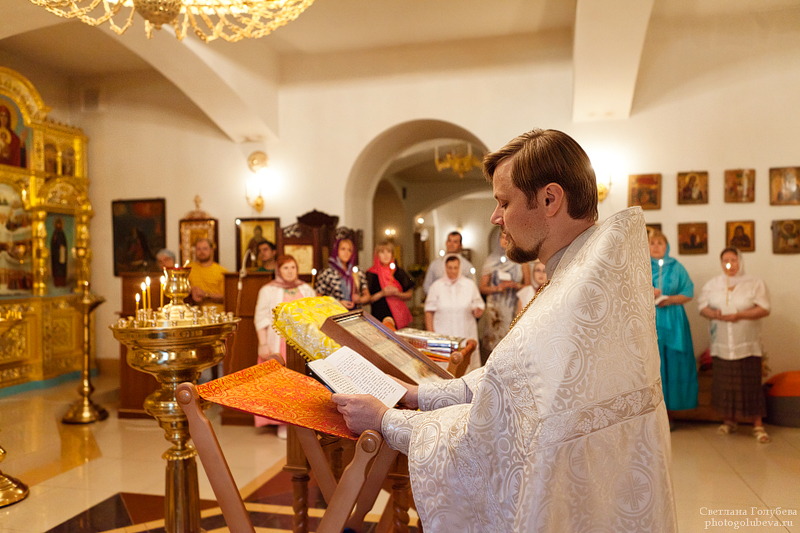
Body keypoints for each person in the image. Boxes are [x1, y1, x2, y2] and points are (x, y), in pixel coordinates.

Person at [332, 128, 676, 532]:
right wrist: (418, 394)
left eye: (504, 202)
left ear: (549, 199)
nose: (496, 217)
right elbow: (509, 385)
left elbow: (486, 438)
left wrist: (386, 420)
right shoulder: (585, 280)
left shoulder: (573, 301)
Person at [698, 247, 771, 443]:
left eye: (734, 259)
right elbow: (702, 307)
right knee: (725, 385)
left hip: (746, 345)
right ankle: (729, 421)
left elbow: (764, 308)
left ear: (740, 261)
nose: (730, 264)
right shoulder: (713, 284)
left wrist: (739, 315)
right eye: (725, 260)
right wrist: (714, 314)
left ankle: (758, 425)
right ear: (721, 263)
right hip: (722, 344)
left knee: (750, 385)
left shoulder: (754, 283)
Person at [253, 255, 316, 437]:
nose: (289, 271)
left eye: (293, 267)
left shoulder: (306, 288)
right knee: (281, 385)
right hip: (278, 342)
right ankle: (283, 423)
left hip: (302, 343)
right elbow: (261, 318)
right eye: (285, 268)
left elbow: (314, 314)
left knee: (301, 384)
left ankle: (302, 421)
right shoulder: (268, 290)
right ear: (279, 270)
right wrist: (263, 343)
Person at [649, 230, 698, 423]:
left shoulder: (677, 267)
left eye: (660, 243)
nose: (656, 246)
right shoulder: (641, 265)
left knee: (673, 364)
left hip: (674, 320)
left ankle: (670, 413)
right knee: (653, 365)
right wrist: (649, 292)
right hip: (650, 321)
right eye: (652, 243)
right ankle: (653, 416)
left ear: (667, 246)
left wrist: (668, 299)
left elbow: (688, 292)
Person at [425, 254, 485, 371]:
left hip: (465, 332)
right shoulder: (436, 286)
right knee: (444, 369)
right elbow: (429, 311)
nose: (453, 271)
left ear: (460, 268)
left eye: (455, 268)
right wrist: (431, 335)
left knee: (466, 368)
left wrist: (478, 311)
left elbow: (478, 305)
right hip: (443, 334)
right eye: (450, 268)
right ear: (444, 268)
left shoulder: (469, 285)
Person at [478, 230, 529, 365]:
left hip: (514, 306)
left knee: (513, 341)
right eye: (502, 237)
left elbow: (528, 286)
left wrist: (515, 285)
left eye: (508, 237)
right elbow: (482, 287)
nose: (505, 240)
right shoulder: (490, 260)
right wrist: (497, 288)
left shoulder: (521, 260)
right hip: (496, 309)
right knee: (495, 343)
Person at [366, 241, 414, 329]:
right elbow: (366, 299)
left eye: (388, 252)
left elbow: (410, 294)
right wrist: (382, 293)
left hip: (399, 317)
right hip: (379, 316)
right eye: (382, 252)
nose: (386, 255)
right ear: (377, 255)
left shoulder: (399, 272)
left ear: (392, 254)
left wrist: (397, 294)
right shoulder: (371, 274)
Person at [315, 237, 368, 309]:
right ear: (337, 250)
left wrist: (360, 299)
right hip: (335, 312)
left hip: (354, 312)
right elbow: (318, 298)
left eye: (349, 250)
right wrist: (337, 303)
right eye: (343, 249)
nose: (346, 253)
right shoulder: (328, 273)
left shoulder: (357, 271)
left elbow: (367, 296)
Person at [187, 238, 227, 312]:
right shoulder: (189, 268)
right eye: (198, 249)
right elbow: (182, 286)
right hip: (195, 313)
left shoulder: (221, 271)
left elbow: (227, 296)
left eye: (205, 249)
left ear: (211, 250)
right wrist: (192, 289)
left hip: (216, 313)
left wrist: (206, 295)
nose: (201, 252)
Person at [50, 217, 68, 287]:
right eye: (57, 224)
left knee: (61, 268)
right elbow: (52, 243)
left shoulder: (62, 233)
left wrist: (62, 247)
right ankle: (57, 282)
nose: (58, 225)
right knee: (56, 269)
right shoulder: (54, 233)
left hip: (61, 254)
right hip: (55, 255)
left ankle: (62, 282)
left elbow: (64, 243)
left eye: (59, 224)